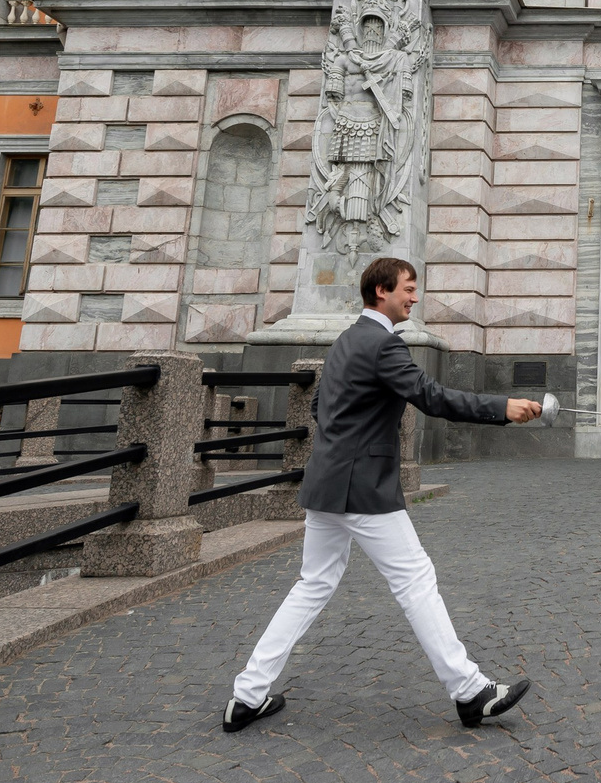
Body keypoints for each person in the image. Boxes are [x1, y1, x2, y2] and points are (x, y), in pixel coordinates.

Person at [223, 256, 541, 734]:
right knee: (416, 582)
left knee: (312, 586)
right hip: (363, 488)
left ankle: (246, 697)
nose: (414, 297)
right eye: (408, 289)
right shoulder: (384, 345)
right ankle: (470, 692)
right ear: (381, 293)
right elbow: (431, 396)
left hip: (327, 482)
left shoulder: (347, 341)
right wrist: (502, 407)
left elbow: (317, 403)